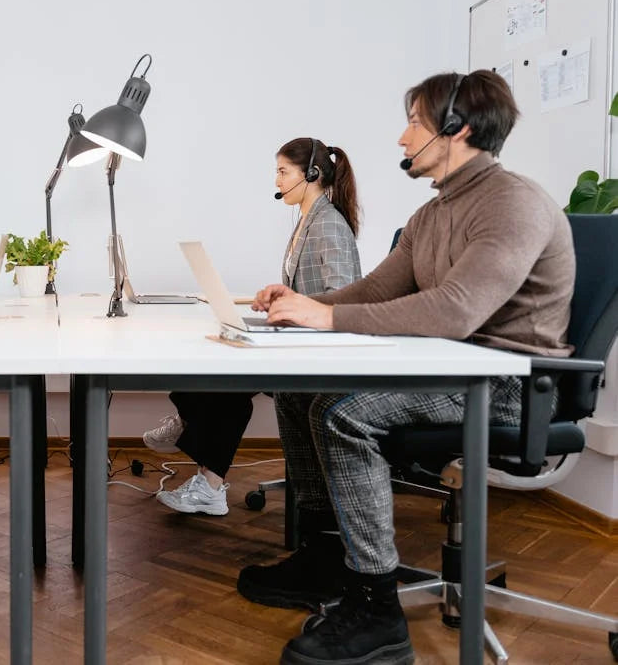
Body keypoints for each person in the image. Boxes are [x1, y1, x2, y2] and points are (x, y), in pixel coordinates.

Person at [238, 71, 573, 665]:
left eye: (414, 122)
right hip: (451, 368)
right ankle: (323, 557)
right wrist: (304, 307)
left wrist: (327, 322)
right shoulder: (430, 216)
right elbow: (376, 289)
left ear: (457, 128)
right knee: (297, 392)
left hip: (505, 385)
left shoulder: (512, 203)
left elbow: (455, 308)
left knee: (344, 415)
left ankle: (376, 609)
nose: (401, 137)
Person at [145, 137, 362, 516]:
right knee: (206, 359)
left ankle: (209, 484)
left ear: (310, 174)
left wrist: (292, 309)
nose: (276, 180)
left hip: (315, 349)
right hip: (296, 337)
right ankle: (187, 429)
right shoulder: (306, 222)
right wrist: (278, 300)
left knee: (225, 385)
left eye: (283, 172)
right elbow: (308, 290)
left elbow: (343, 298)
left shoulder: (329, 225)